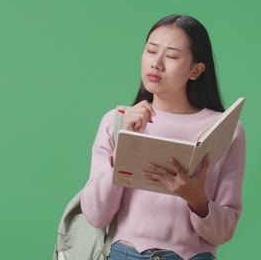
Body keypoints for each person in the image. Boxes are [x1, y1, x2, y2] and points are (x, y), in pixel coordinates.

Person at [80, 14, 246, 260]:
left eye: (171, 56)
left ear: (196, 70)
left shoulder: (226, 130)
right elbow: (95, 215)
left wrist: (197, 199)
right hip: (123, 254)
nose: (156, 63)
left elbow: (224, 231)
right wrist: (123, 144)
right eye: (151, 51)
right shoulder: (116, 121)